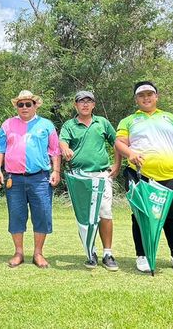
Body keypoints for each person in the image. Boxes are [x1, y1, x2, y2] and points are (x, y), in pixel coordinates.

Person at [115, 81, 173, 274]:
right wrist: (130, 154)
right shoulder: (128, 121)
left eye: (149, 94)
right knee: (141, 217)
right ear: (136, 99)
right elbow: (119, 143)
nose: (146, 98)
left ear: (156, 96)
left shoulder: (170, 118)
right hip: (140, 175)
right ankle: (142, 256)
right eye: (141, 95)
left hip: (171, 175)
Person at [0, 90, 61, 268]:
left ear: (35, 105)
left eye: (27, 104)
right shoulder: (7, 124)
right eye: (20, 104)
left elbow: (55, 150)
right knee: (16, 215)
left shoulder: (46, 125)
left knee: (42, 215)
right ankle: (18, 252)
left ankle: (38, 253)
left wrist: (56, 170)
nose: (24, 107)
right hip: (14, 179)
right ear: (16, 106)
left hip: (40, 178)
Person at [59, 90, 122, 270]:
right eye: (81, 101)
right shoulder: (69, 125)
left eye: (89, 101)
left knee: (105, 214)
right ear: (75, 105)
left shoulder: (102, 122)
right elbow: (62, 141)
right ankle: (90, 252)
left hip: (101, 175)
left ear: (94, 104)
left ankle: (107, 253)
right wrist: (65, 149)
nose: (85, 104)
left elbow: (117, 143)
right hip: (79, 176)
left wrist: (117, 165)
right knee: (85, 216)